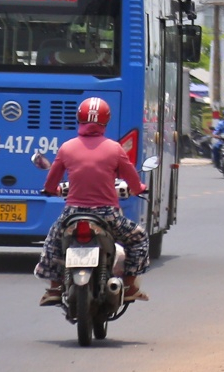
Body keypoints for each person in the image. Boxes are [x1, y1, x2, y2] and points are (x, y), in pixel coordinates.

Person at [32, 97, 150, 306]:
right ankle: (130, 286)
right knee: (138, 238)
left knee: (53, 241)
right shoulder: (115, 149)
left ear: (79, 117)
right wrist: (140, 188)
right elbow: (133, 181)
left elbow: (50, 184)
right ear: (106, 120)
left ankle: (53, 288)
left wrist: (53, 190)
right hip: (107, 214)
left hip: (73, 214)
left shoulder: (67, 148)